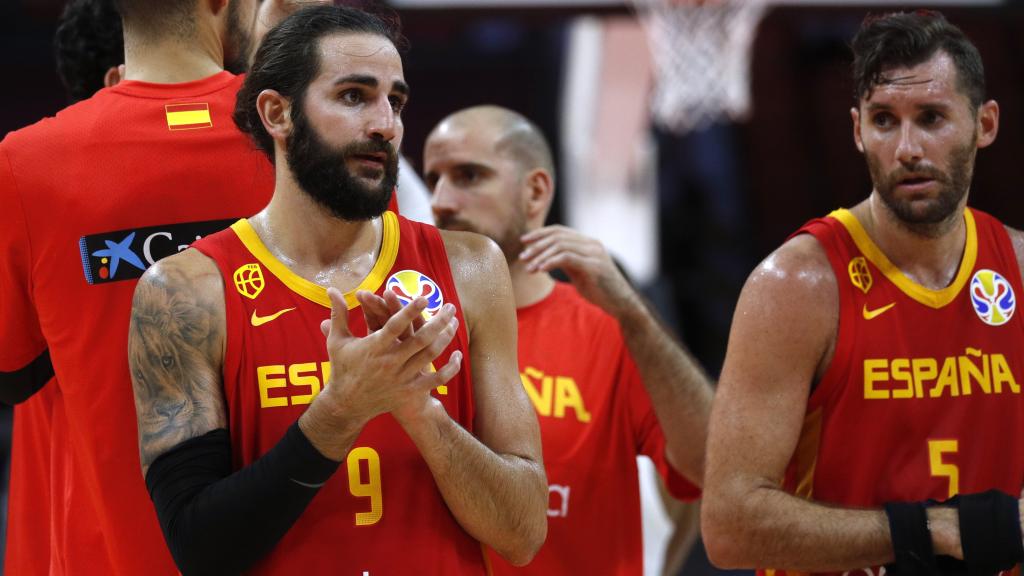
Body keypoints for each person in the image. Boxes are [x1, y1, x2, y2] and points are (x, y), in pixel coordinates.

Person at [128, 6, 547, 575]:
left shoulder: (471, 268)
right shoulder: (184, 291)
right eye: (354, 96)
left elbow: (523, 533)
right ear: (277, 113)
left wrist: (420, 411)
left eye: (394, 102)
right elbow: (200, 550)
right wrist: (341, 409)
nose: (385, 125)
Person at [0, 0, 319, 572]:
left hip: (113, 556)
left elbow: (12, 371)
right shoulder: (307, 133)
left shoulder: (25, 163)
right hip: (300, 548)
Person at [702, 10, 1024, 576]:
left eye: (930, 118)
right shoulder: (796, 287)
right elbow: (729, 526)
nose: (907, 148)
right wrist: (937, 530)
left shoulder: (1019, 270)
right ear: (857, 131)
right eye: (884, 120)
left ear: (986, 124)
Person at [422, 104, 712, 575]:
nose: (441, 200)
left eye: (468, 176)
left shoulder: (606, 330)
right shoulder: (412, 327)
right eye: (434, 178)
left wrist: (633, 316)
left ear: (534, 193)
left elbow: (710, 469)